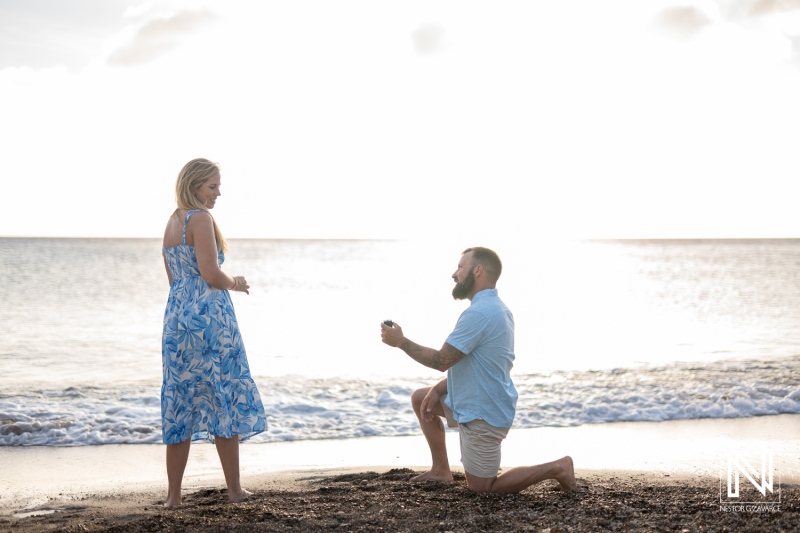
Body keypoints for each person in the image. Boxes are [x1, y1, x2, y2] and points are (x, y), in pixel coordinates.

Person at [380, 247, 577, 494]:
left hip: (482, 413)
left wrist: (401, 342)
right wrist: (438, 388)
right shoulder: (497, 308)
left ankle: (557, 467)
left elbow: (442, 360)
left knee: (483, 489)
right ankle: (441, 470)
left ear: (478, 270)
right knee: (422, 398)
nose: (454, 274)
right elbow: (477, 365)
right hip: (478, 400)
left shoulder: (480, 314)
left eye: (460, 267)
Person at [160, 158, 267, 507]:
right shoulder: (200, 218)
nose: (218, 193)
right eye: (212, 186)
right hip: (210, 320)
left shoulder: (172, 223)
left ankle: (174, 497)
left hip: (177, 319)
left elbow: (175, 281)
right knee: (223, 397)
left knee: (181, 401)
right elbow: (210, 274)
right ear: (194, 187)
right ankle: (235, 491)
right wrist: (235, 282)